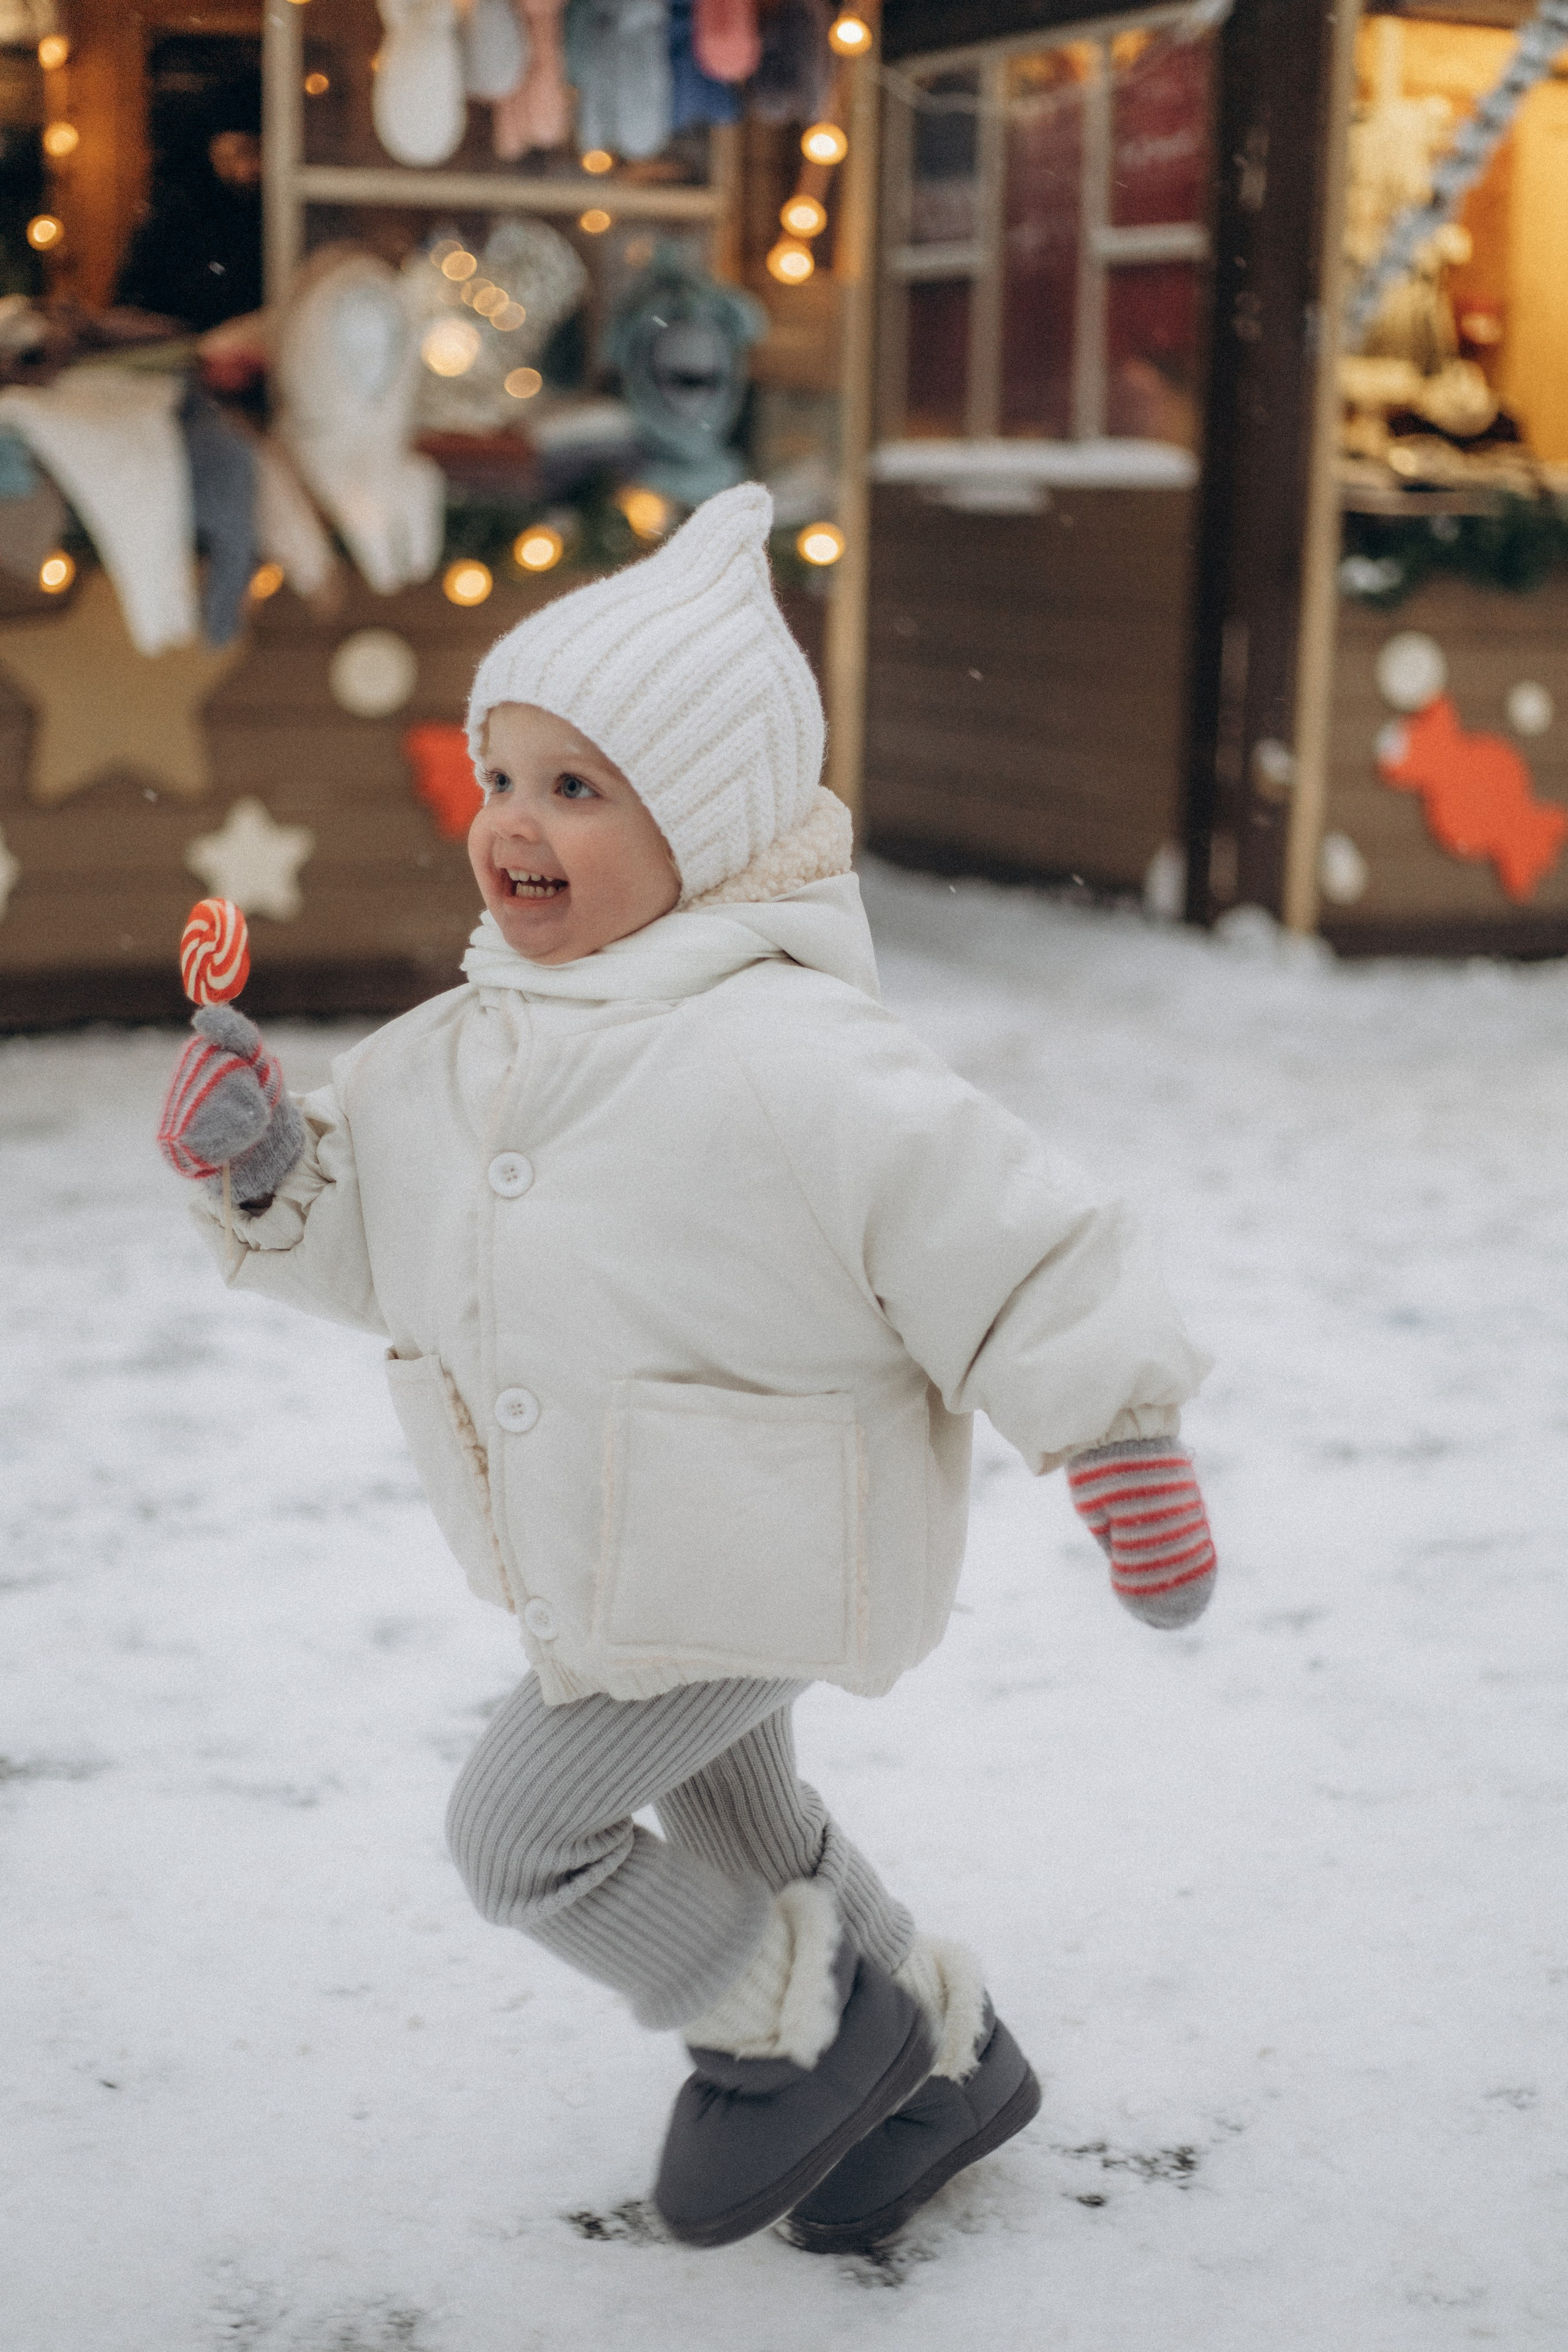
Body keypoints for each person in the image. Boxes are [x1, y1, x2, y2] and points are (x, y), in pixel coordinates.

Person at [156, 484, 1217, 2255]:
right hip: (628, 1554)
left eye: (579, 788)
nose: (517, 822)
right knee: (743, 1824)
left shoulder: (792, 1054)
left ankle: (789, 2034)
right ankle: (945, 2069)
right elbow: (393, 1247)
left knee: (520, 1834)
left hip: (762, 1539)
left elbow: (1007, 1232)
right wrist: (271, 1165)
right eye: (503, 777)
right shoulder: (461, 1048)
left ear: (705, 829)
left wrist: (1120, 1442)